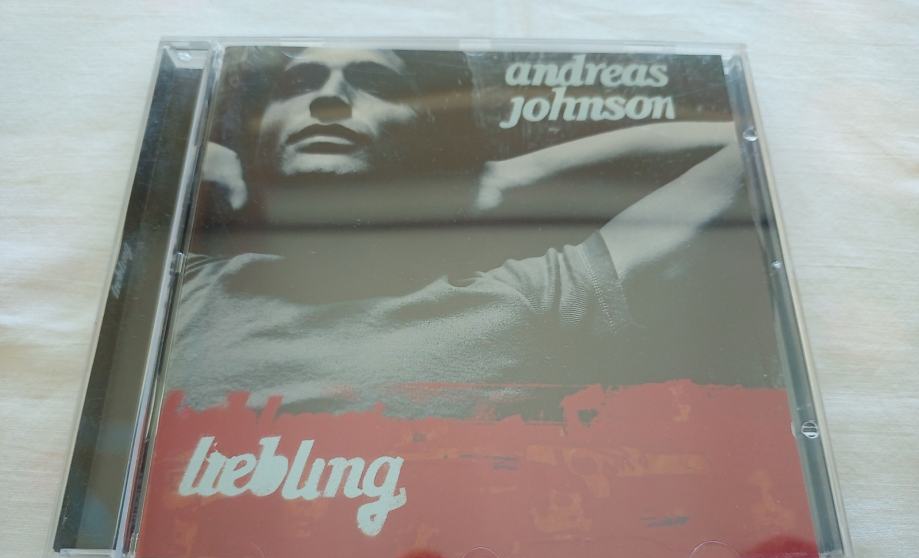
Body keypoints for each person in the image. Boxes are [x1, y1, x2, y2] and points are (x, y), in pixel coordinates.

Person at [164, 47, 775, 420]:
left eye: (375, 83)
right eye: (297, 86)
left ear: (431, 135)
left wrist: (500, 178)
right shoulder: (185, 287)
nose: (329, 99)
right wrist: (219, 165)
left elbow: (743, 147)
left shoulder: (530, 297)